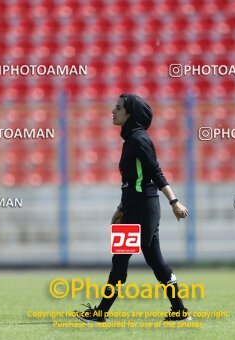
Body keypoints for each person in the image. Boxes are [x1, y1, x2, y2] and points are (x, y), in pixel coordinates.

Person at [75, 94, 191, 323]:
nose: (113, 111)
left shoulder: (138, 139)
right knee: (154, 261)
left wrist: (174, 201)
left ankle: (100, 313)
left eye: (118, 108)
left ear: (131, 114)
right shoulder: (131, 139)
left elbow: (154, 173)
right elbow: (133, 181)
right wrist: (122, 208)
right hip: (137, 206)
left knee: (121, 260)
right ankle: (179, 311)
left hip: (142, 208)